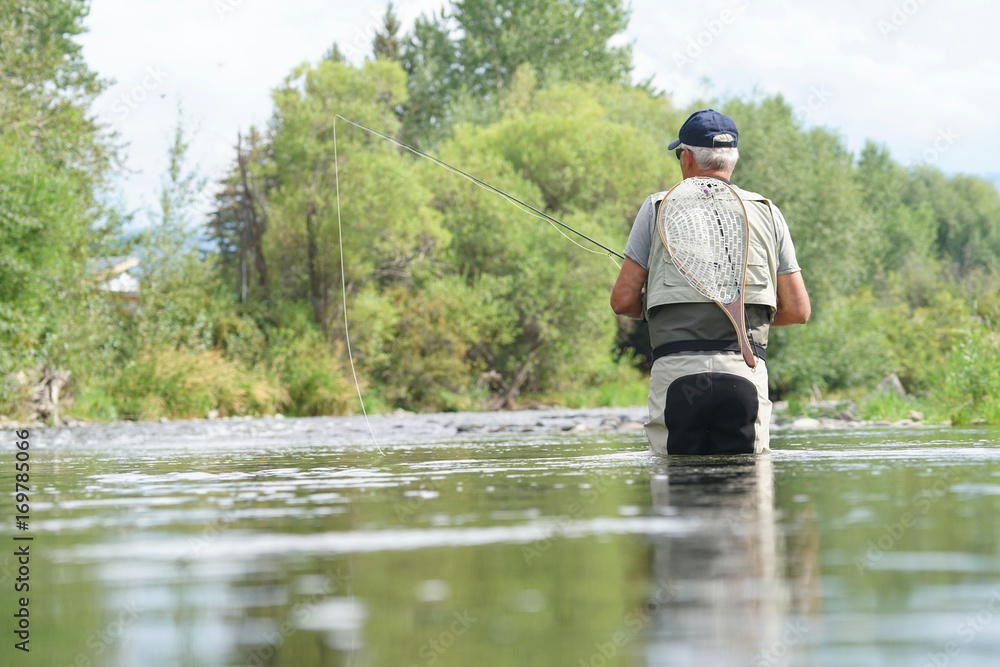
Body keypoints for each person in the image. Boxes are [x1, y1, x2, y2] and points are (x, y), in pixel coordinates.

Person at [610, 109, 810, 455]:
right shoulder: (767, 210)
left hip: (676, 373)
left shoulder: (657, 207)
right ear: (732, 160)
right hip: (744, 368)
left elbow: (622, 301)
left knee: (677, 495)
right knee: (747, 494)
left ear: (686, 158)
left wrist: (659, 303)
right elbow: (799, 310)